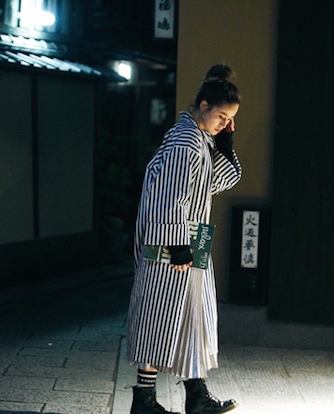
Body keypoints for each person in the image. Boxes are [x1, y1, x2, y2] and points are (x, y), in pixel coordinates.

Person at [126, 64, 242, 414]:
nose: (224, 123)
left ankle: (195, 396)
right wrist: (177, 247)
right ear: (203, 105)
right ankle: (146, 401)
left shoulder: (198, 139)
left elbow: (218, 182)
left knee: (194, 315)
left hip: (193, 239)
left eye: (229, 119)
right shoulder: (186, 140)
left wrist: (225, 143)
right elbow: (169, 195)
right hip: (176, 243)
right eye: (221, 116)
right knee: (158, 313)